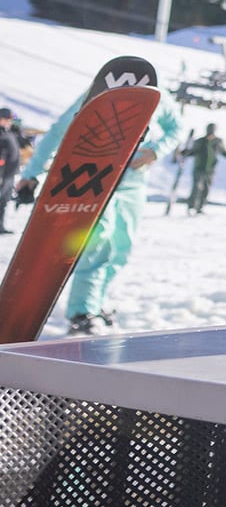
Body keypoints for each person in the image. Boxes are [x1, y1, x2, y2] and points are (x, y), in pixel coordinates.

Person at [17, 79, 184, 334]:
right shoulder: (102, 91)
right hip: (99, 179)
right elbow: (60, 129)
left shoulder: (158, 96)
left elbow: (176, 128)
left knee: (121, 249)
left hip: (133, 182)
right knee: (99, 244)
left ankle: (96, 301)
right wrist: (31, 172)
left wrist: (156, 151)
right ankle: (81, 311)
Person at [179, 122, 226, 215]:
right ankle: (191, 206)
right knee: (196, 187)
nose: (210, 134)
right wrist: (185, 152)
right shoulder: (200, 141)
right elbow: (193, 151)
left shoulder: (218, 142)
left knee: (206, 189)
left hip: (210, 170)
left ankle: (200, 207)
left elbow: (223, 152)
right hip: (199, 168)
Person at [0, 107, 21, 235]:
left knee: (3, 201)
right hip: (2, 174)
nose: (9, 122)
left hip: (9, 174)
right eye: (7, 119)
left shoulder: (8, 132)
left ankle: (0, 226)